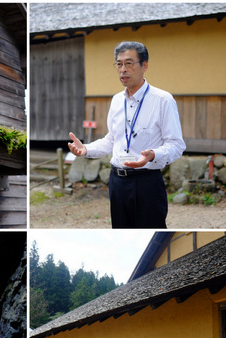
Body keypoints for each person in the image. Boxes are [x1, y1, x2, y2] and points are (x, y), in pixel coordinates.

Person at [68, 41, 185, 228]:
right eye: (119, 64)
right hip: (117, 182)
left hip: (147, 181)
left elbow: (176, 145)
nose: (123, 69)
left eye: (129, 63)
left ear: (144, 65)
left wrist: (154, 155)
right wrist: (86, 149)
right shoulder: (116, 101)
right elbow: (112, 140)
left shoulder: (163, 100)